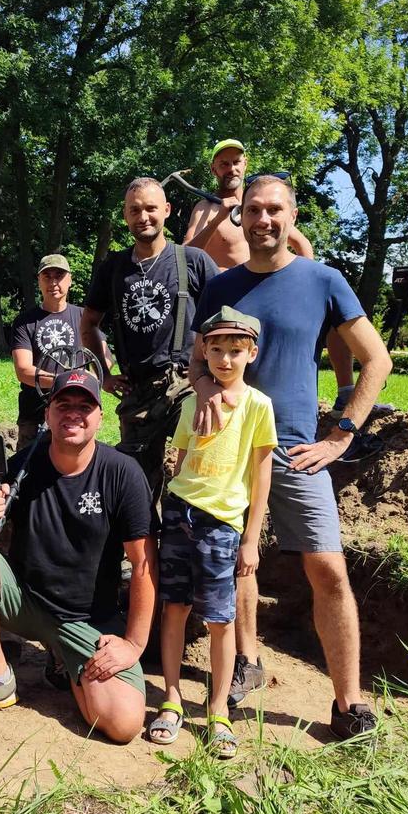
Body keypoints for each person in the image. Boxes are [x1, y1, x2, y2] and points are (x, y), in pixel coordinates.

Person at [190, 175, 392, 739]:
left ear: (292, 215)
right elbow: (196, 361)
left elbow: (376, 359)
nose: (263, 220)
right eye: (253, 210)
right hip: (226, 451)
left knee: (327, 568)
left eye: (274, 210)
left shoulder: (322, 280)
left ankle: (348, 701)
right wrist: (205, 388)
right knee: (235, 559)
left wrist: (342, 434)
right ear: (241, 217)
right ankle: (246, 662)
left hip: (295, 450)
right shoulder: (220, 286)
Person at [0, 370, 156, 743]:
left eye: (84, 406)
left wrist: (133, 644)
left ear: (100, 416)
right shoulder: (25, 464)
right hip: (26, 601)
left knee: (123, 725)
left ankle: (68, 660)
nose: (73, 414)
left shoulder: (123, 474)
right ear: (48, 413)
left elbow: (144, 566)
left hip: (87, 619)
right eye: (63, 405)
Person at [185, 139, 389, 420]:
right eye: (224, 163)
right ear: (214, 169)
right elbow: (187, 254)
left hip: (277, 289)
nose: (230, 168)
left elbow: (302, 245)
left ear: (245, 165)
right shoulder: (205, 208)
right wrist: (220, 216)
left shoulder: (267, 199)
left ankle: (345, 390)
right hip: (229, 301)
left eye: (236, 161)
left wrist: (304, 280)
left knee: (333, 321)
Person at [148, 307, 275, 757]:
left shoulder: (258, 407)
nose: (225, 360)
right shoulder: (191, 403)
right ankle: (172, 697)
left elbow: (261, 477)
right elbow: (178, 460)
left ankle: (218, 708)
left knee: (221, 620)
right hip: (180, 514)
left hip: (223, 523)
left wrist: (250, 538)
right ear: (204, 350)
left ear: (251, 353)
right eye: (216, 349)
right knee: (175, 608)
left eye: (235, 351)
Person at [81, 178, 219, 502]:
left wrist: (216, 375)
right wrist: (104, 374)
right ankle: (142, 548)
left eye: (151, 208)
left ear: (167, 211)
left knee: (200, 456)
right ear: (126, 216)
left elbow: (225, 320)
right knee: (134, 486)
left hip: (184, 383)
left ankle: (187, 535)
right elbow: (88, 324)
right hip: (136, 392)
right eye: (135, 210)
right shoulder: (113, 268)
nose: (143, 216)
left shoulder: (193, 261)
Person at [11, 254, 84, 449]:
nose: (53, 282)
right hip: (34, 412)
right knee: (27, 468)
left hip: (76, 413)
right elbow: (24, 371)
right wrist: (67, 381)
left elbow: (105, 358)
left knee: (73, 470)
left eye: (59, 276)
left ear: (70, 280)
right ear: (39, 281)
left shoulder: (84, 318)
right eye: (47, 276)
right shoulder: (24, 322)